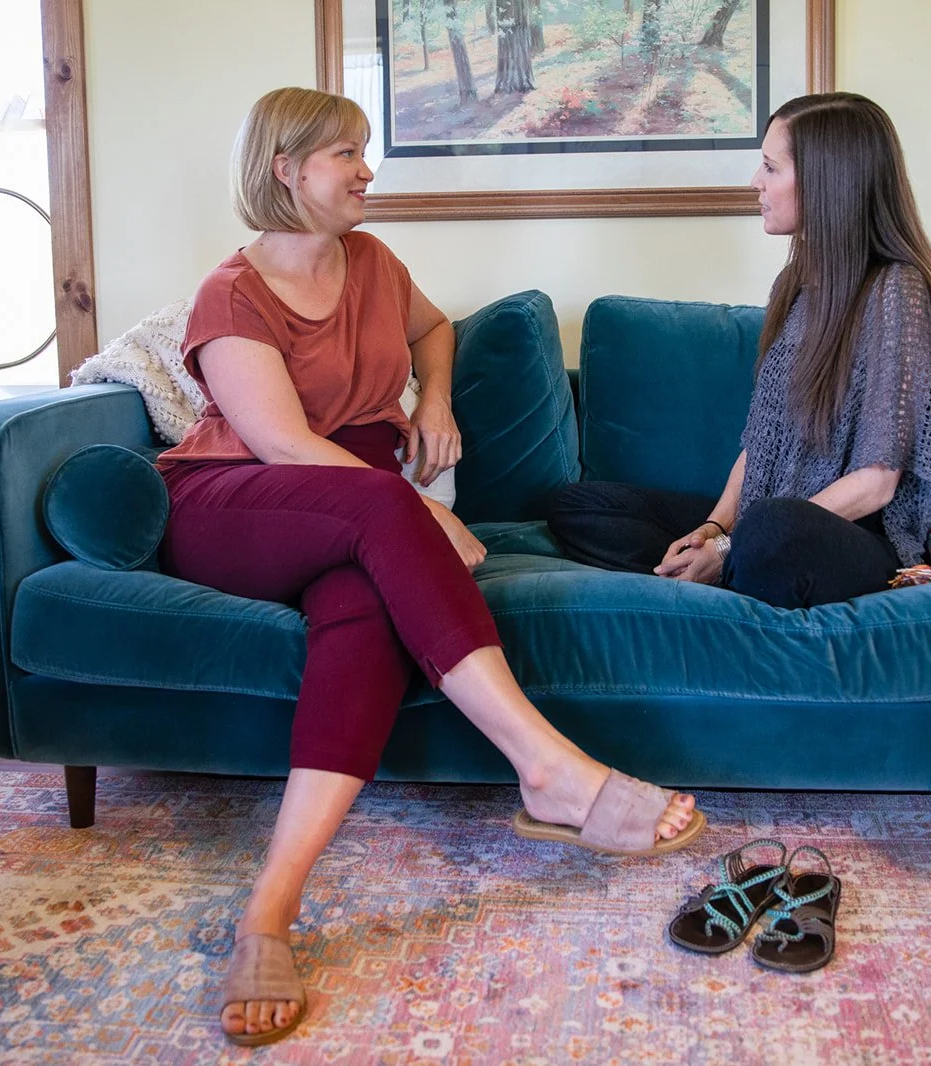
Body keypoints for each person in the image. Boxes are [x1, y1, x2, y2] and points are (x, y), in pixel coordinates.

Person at [155, 87, 703, 1048]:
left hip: (357, 511)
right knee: (373, 501)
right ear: (286, 169)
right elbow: (281, 444)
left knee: (366, 622)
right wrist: (408, 506)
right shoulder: (230, 293)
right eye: (345, 154)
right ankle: (550, 770)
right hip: (236, 502)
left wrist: (437, 398)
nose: (367, 168)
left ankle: (267, 916)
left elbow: (434, 328)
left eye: (366, 149)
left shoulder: (371, 260)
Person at [550, 92, 931, 610]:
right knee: (580, 505)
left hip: (851, 538)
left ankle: (729, 571)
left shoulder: (896, 291)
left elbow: (878, 483)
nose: (755, 182)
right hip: (764, 519)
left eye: (770, 167)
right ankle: (708, 572)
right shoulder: (795, 285)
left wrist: (732, 545)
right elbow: (760, 444)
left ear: (826, 181)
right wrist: (713, 528)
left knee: (773, 527)